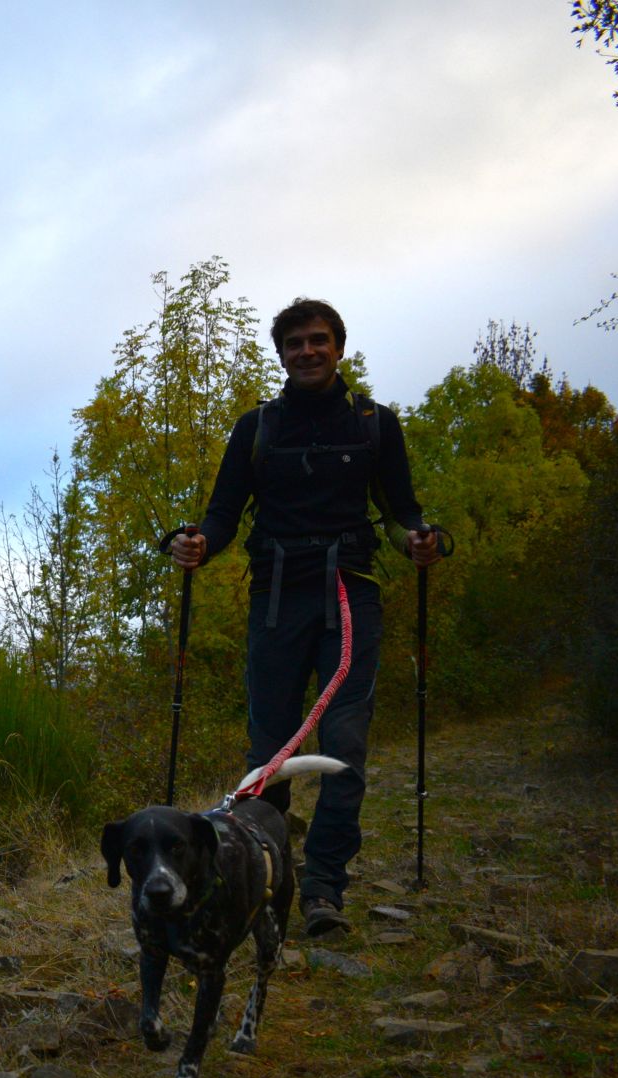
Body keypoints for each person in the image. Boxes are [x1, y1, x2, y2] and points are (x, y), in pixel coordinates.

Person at [170, 299, 442, 938]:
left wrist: (421, 541)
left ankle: (323, 889)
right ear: (282, 355)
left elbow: (400, 513)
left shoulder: (375, 425)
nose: (307, 351)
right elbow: (222, 516)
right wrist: (196, 545)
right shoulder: (257, 428)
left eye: (319, 340)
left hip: (351, 594)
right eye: (294, 343)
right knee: (270, 752)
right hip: (276, 598)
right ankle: (266, 883)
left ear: (339, 347)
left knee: (344, 745)